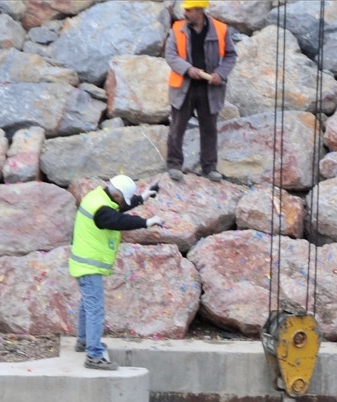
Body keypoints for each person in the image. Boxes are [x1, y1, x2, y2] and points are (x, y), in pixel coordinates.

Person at [68, 174, 163, 370]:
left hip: (83, 263)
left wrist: (143, 197)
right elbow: (118, 220)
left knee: (88, 304)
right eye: (124, 198)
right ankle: (93, 355)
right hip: (89, 265)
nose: (122, 202)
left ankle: (84, 341)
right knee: (95, 308)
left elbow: (118, 207)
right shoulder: (102, 210)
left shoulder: (99, 196)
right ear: (117, 194)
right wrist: (146, 222)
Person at [164, 0, 237, 183]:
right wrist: (188, 69)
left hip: (210, 89)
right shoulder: (178, 29)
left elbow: (230, 55)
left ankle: (209, 168)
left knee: (209, 129)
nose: (185, 13)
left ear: (200, 11)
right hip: (184, 88)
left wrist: (220, 73)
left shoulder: (220, 29)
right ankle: (174, 165)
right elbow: (171, 56)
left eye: (189, 10)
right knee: (177, 128)